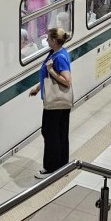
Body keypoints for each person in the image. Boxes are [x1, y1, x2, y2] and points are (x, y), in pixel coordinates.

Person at [28, 28, 73, 178]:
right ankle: (62, 164)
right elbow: (48, 77)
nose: (46, 40)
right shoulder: (57, 53)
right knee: (59, 133)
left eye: (48, 38)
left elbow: (67, 81)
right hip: (59, 104)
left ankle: (51, 168)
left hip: (55, 104)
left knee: (50, 133)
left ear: (54, 40)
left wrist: (52, 70)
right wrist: (37, 88)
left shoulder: (59, 57)